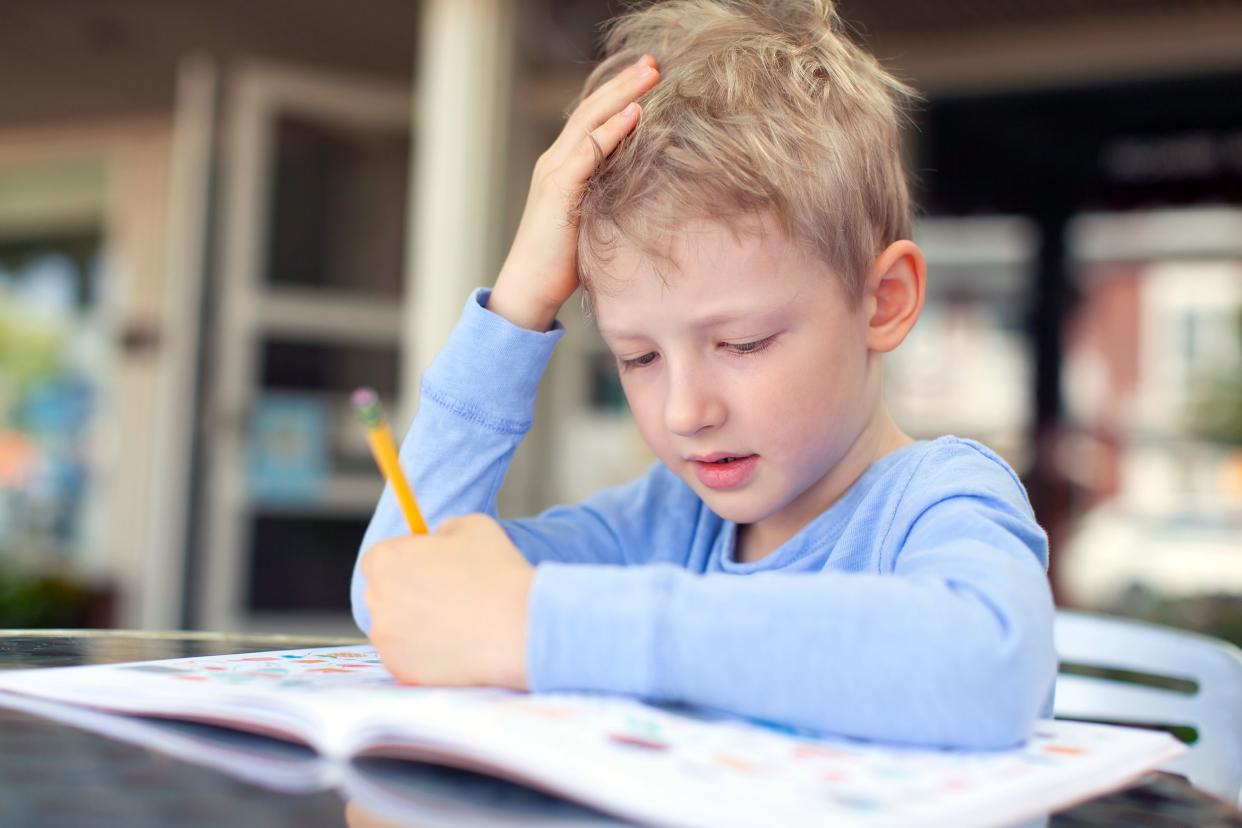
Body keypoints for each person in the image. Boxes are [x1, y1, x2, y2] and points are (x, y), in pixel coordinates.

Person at [352, 0, 1056, 748]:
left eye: (744, 343)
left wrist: (548, 624)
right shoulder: (661, 524)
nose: (686, 411)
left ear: (883, 302)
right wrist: (519, 303)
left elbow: (987, 668)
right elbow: (400, 591)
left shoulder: (935, 502)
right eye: (639, 358)